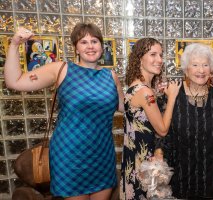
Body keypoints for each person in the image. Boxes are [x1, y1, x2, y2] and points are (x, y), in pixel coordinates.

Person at [4, 23, 124, 200]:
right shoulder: (61, 69)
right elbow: (15, 81)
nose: (90, 46)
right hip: (70, 155)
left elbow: (126, 107)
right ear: (75, 47)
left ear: (101, 46)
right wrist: (14, 45)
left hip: (102, 154)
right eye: (83, 42)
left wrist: (152, 92)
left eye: (94, 41)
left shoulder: (110, 76)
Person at [157, 43, 213, 199]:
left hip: (209, 174)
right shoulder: (173, 94)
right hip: (179, 173)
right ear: (186, 69)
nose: (201, 70)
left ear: (211, 69)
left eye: (205, 65)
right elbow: (162, 132)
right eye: (195, 65)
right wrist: (159, 152)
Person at [120, 38, 181, 200]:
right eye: (153, 54)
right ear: (140, 58)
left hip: (134, 162)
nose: (159, 60)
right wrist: (172, 97)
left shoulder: (134, 86)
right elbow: (162, 129)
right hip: (144, 167)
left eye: (161, 55)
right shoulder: (145, 92)